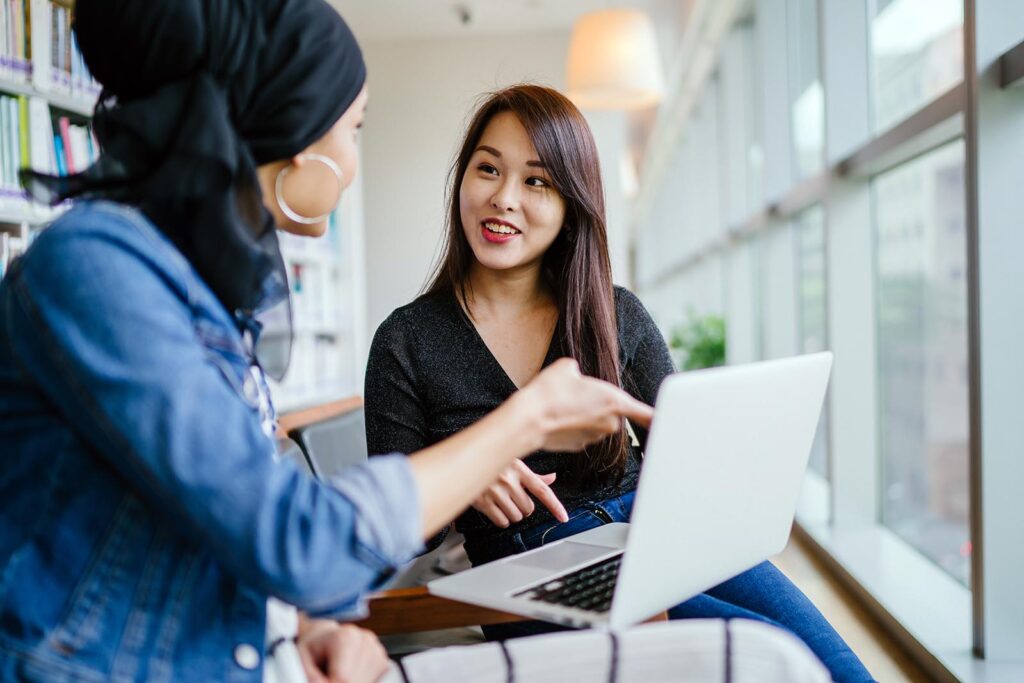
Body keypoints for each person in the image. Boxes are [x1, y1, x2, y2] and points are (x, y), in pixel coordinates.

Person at [0, 2, 656, 682]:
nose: (350, 162)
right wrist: (524, 420)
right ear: (291, 131)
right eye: (353, 129)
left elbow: (232, 521)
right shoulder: (96, 273)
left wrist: (308, 623)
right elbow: (292, 537)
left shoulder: (193, 292)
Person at [364, 84, 874, 683]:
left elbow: (682, 455)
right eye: (487, 170)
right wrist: (469, 473)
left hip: (657, 531)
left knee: (839, 669)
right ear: (462, 181)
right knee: (765, 658)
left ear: (571, 204)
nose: (503, 199)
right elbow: (390, 537)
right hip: (534, 563)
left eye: (537, 181)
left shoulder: (612, 312)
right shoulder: (406, 340)